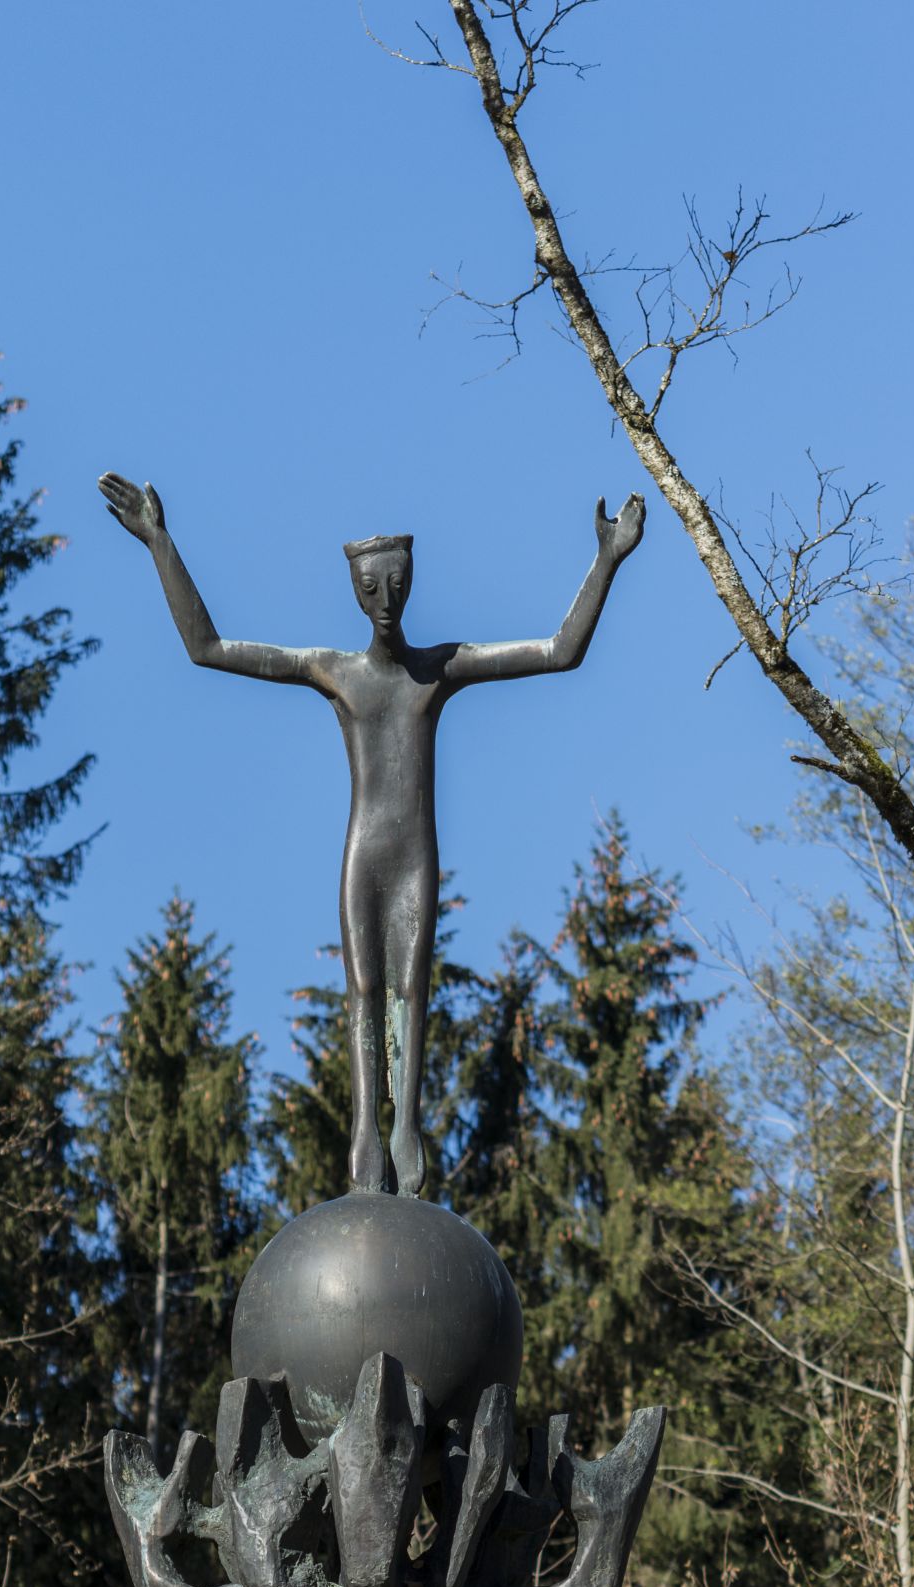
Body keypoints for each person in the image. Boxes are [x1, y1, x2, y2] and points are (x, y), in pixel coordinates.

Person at [98, 474, 645, 1198]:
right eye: (370, 588)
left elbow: (558, 650)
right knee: (364, 990)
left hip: (415, 858)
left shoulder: (438, 669)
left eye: (395, 584)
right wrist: (160, 544)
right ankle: (365, 1132)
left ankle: (405, 1129)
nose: (384, 600)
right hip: (366, 856)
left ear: (409, 584)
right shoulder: (336, 673)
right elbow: (208, 646)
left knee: (410, 991)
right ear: (356, 591)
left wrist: (606, 561)